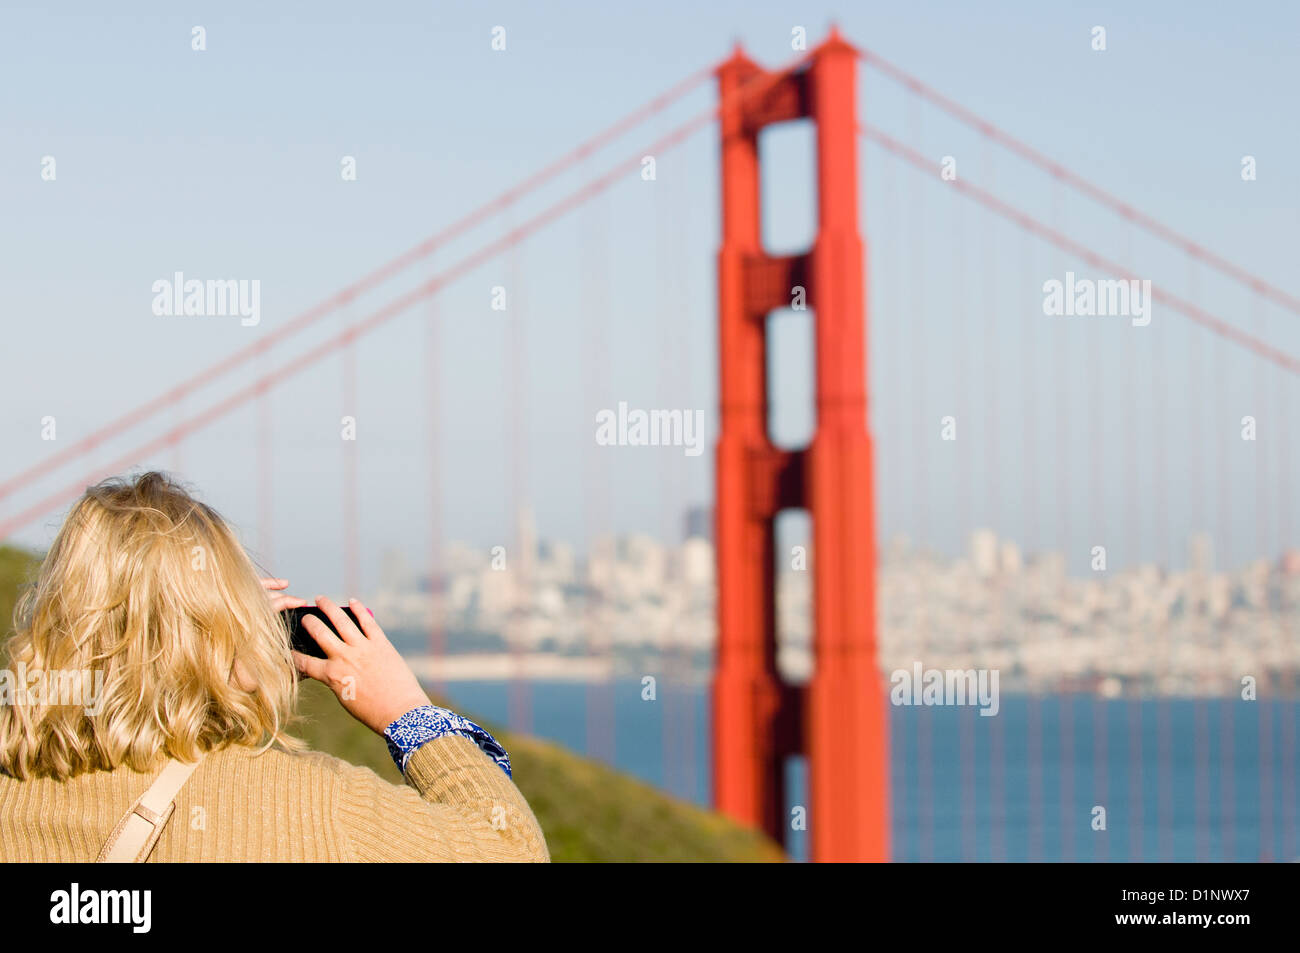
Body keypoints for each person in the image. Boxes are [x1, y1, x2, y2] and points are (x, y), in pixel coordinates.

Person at [0, 471, 549, 862]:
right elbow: (511, 851)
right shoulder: (321, 808)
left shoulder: (13, 789)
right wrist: (411, 716)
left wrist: (204, 640)